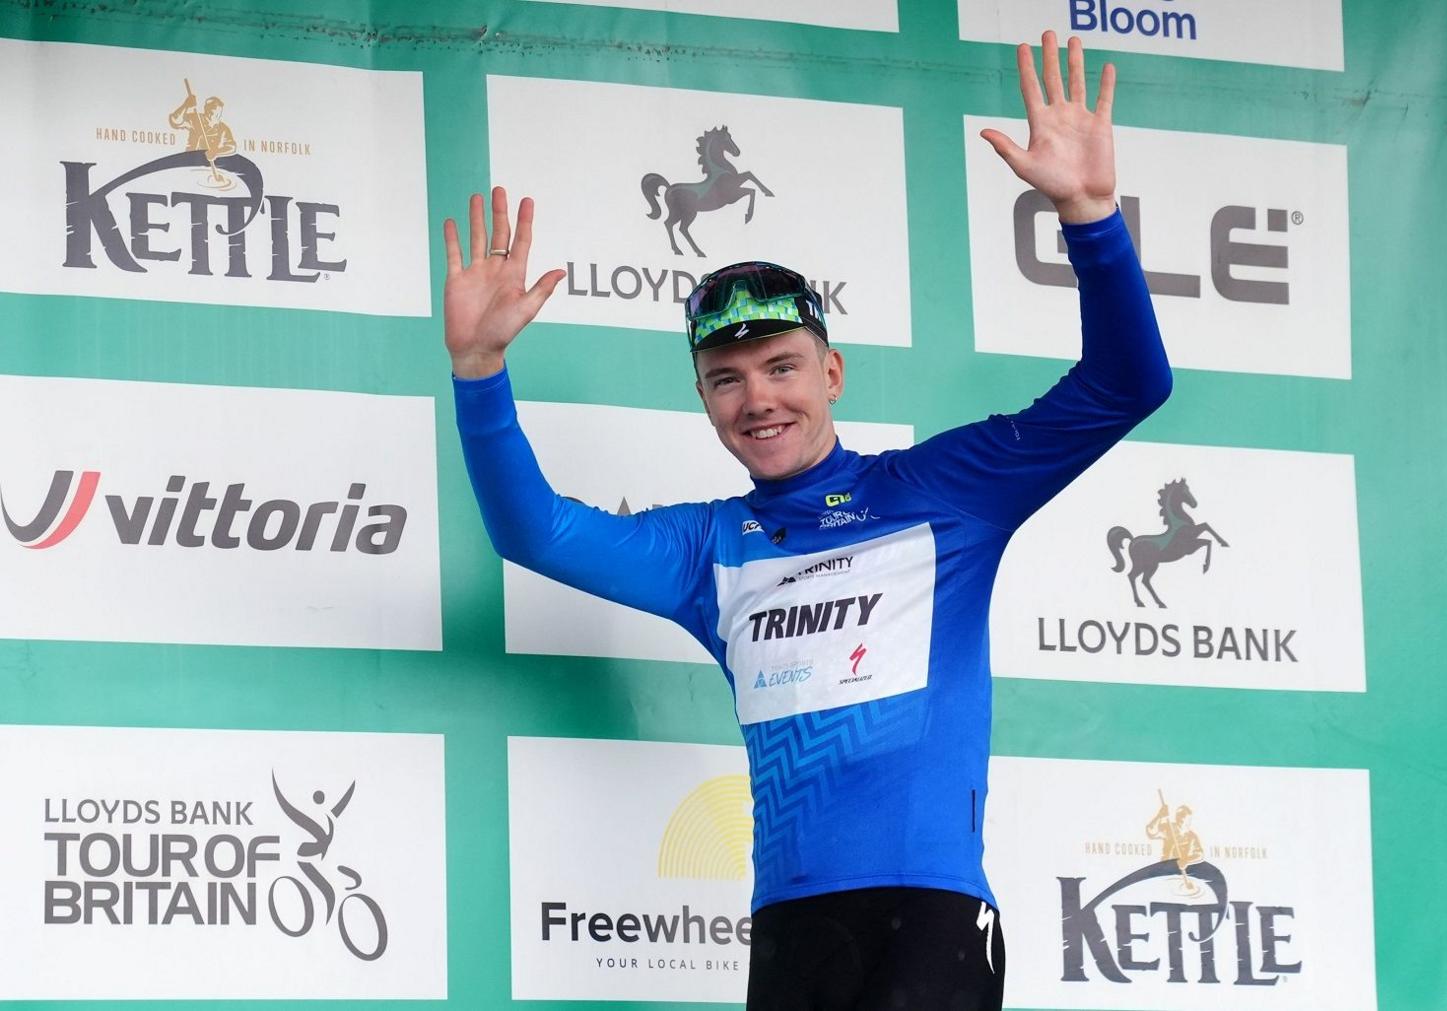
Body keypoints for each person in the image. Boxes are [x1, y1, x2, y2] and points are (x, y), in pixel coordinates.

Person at [444, 32, 1170, 1011]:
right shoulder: (707, 550)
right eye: (725, 380)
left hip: (930, 921)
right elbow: (536, 533)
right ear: (704, 397)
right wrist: (480, 374)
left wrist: (1087, 216)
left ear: (830, 374)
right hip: (790, 934)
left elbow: (1128, 382)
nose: (757, 400)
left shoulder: (945, 489)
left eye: (781, 367)